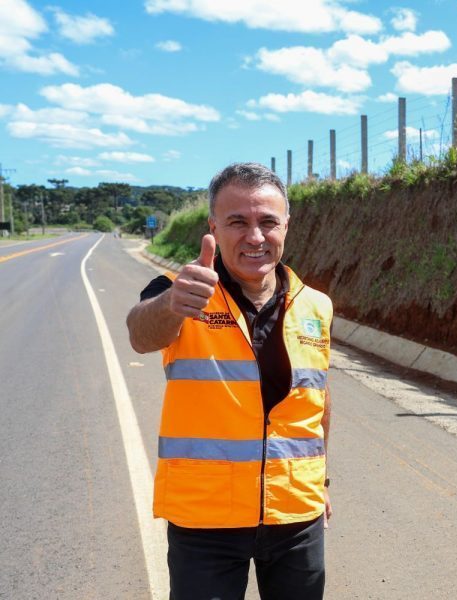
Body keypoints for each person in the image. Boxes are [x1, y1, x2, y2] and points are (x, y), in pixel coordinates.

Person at [126, 162, 333, 600]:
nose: (255, 237)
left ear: (287, 226)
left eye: (267, 222)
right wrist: (173, 305)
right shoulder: (177, 290)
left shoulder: (316, 305)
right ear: (214, 226)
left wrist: (322, 482)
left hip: (296, 513)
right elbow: (140, 335)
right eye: (237, 222)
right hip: (206, 520)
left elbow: (317, 400)